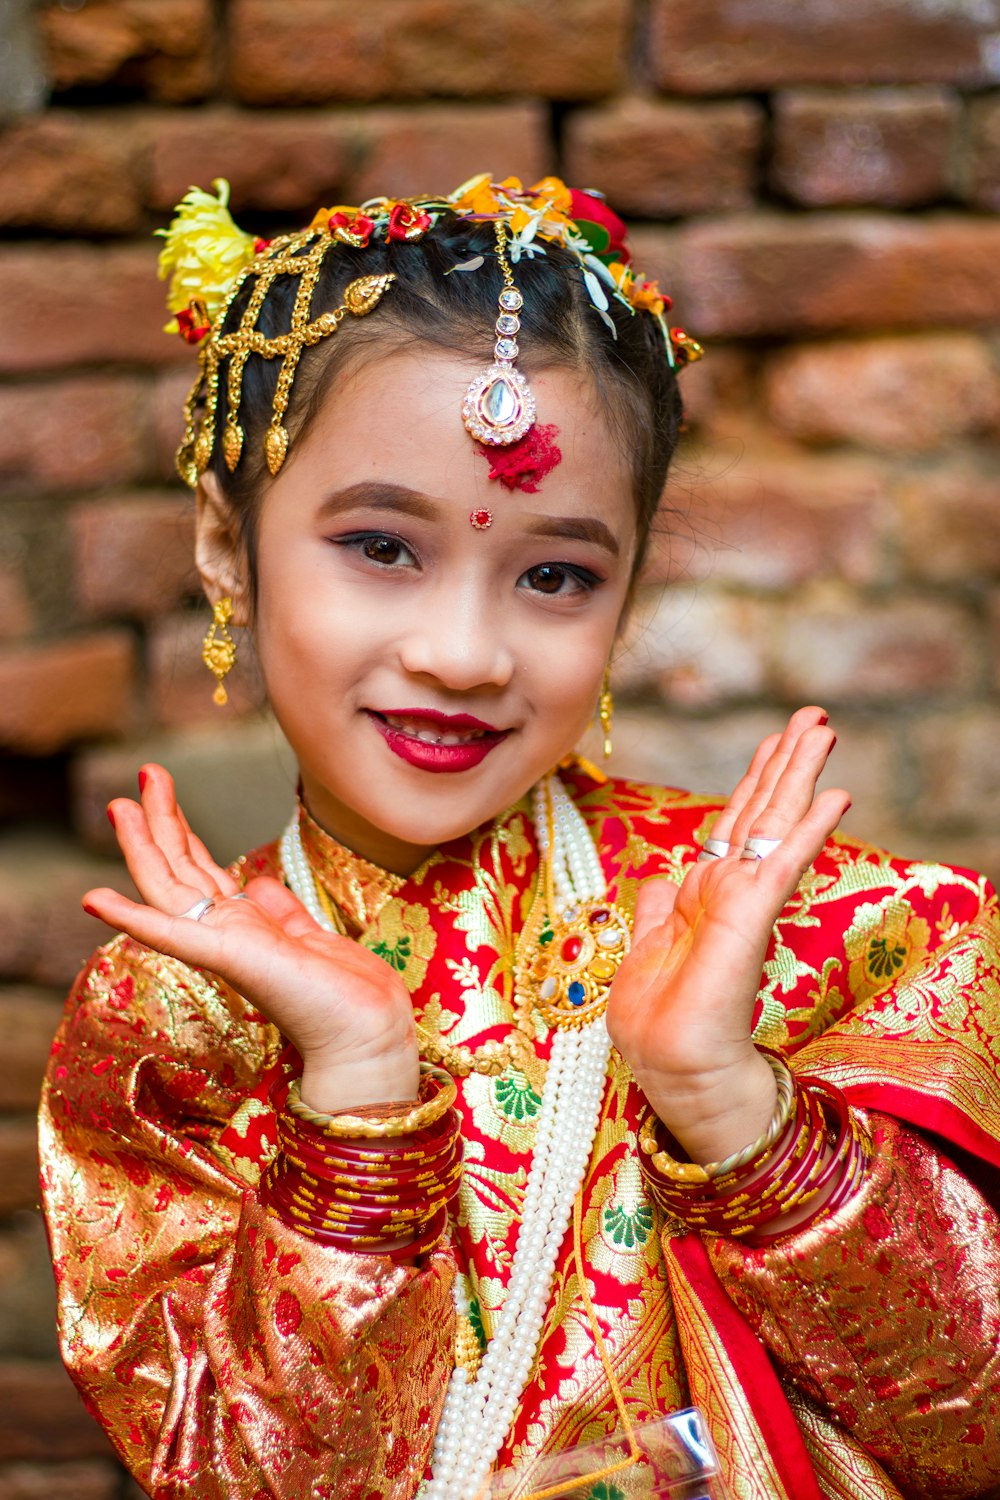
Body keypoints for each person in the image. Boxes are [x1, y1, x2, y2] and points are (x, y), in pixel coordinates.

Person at [39, 174, 1000, 1500]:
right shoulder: (174, 1016)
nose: (462, 653)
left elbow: (973, 1429)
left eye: (554, 575)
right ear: (225, 544)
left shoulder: (810, 933)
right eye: (382, 545)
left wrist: (732, 1103)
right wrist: (358, 1109)